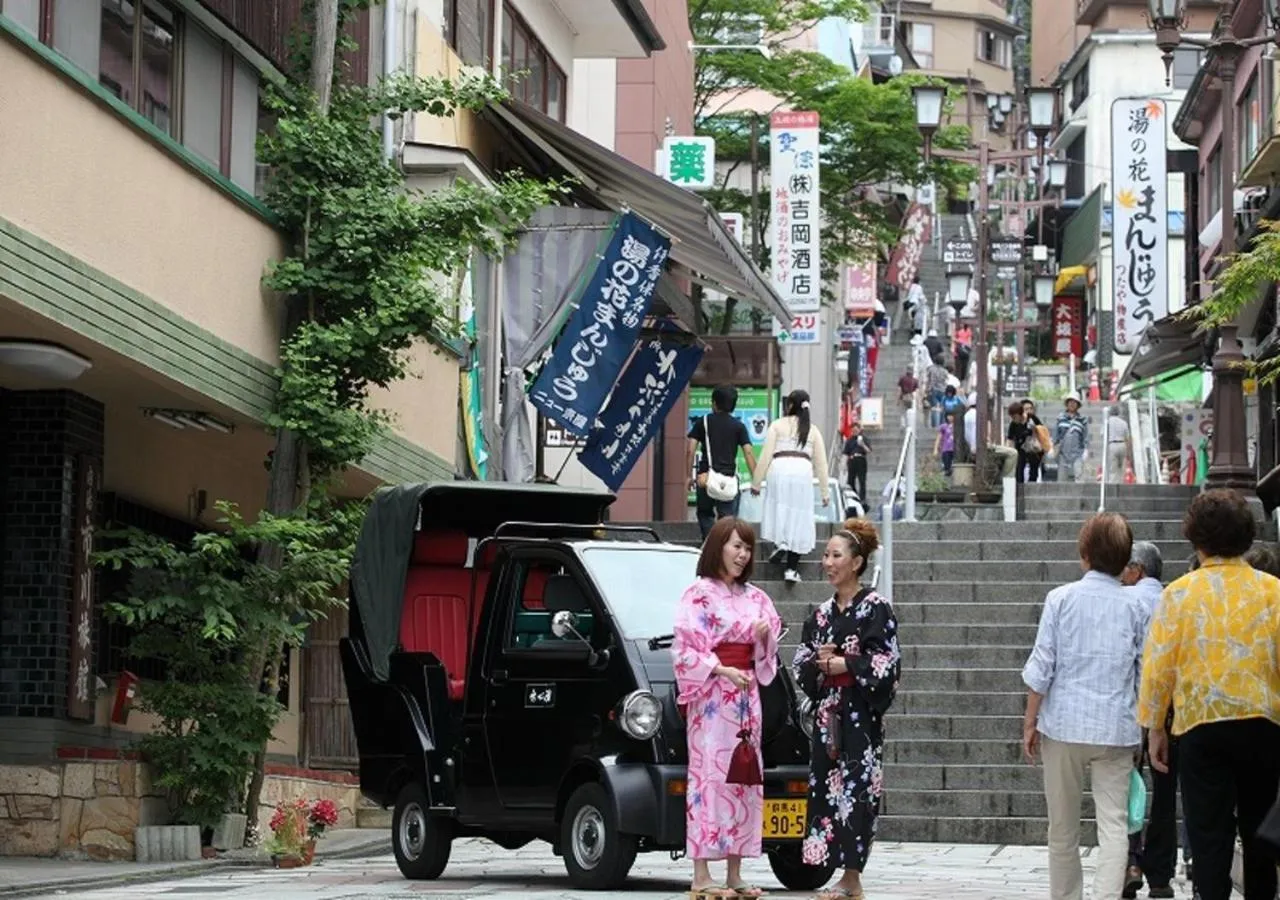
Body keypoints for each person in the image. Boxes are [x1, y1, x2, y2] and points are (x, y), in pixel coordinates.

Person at [1139, 490, 1280, 900]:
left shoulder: (1179, 594)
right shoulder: (1273, 591)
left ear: (1195, 538)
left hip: (1202, 722)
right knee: (1260, 835)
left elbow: (1159, 665)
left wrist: (1154, 727)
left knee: (1208, 834)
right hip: (1263, 721)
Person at [1022, 513, 1148, 900]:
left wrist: (1031, 720)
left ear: (1084, 554)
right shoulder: (1136, 608)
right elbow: (1144, 675)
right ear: (1125, 560)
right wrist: (1149, 727)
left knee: (1062, 827)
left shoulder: (1060, 599)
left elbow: (1042, 666)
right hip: (1115, 728)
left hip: (1063, 725)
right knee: (1114, 825)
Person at [672, 517, 783, 899]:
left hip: (746, 696)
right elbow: (686, 650)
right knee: (708, 778)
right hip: (713, 699)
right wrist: (720, 669)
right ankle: (702, 873)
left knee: (744, 777)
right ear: (718, 546)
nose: (742, 554)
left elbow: (768, 649)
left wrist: (765, 639)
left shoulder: (756, 597)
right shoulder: (698, 594)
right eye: (736, 546)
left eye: (747, 548)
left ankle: (735, 870)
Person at [793, 520, 900, 900]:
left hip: (859, 716)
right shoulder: (821, 614)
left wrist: (847, 665)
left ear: (856, 563)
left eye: (836, 555)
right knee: (825, 787)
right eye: (825, 555)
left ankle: (852, 877)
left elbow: (886, 662)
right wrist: (819, 665)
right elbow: (801, 660)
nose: (827, 562)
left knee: (856, 790)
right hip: (827, 717)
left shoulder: (876, 608)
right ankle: (834, 869)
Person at [1120, 542, 1176, 900]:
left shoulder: (1128, 602)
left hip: (1133, 706)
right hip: (1174, 711)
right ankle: (1160, 876)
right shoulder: (1175, 599)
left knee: (1127, 788)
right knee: (1166, 796)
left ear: (1138, 570)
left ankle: (1131, 861)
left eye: (1126, 568)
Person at [753, 389, 830, 585]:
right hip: (802, 471)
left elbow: (765, 455)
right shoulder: (812, 430)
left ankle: (781, 543)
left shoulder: (777, 425)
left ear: (789, 406)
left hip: (778, 469)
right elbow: (821, 463)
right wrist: (824, 492)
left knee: (780, 510)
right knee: (799, 516)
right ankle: (791, 569)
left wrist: (756, 482)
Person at [688, 386, 759, 541]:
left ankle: (709, 542)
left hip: (705, 477)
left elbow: (691, 449)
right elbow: (748, 452)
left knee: (705, 513)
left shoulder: (703, 422)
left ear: (714, 403)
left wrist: (688, 476)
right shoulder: (738, 426)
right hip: (728, 480)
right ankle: (722, 545)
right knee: (727, 519)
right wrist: (756, 480)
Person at [1055, 392, 1090, 483]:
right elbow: (1056, 435)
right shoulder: (1060, 418)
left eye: (1074, 402)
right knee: (1062, 479)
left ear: (1078, 405)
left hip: (1078, 453)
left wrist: (1086, 449)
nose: (1072, 404)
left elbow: (1085, 436)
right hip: (1063, 453)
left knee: (1079, 478)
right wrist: (1053, 446)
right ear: (1067, 404)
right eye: (1070, 401)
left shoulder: (1082, 420)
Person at [1007, 402, 1042, 484]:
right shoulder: (1013, 424)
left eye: (1014, 417)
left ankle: (1032, 485)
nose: (1013, 419)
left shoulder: (1032, 418)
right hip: (1020, 448)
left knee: (1034, 467)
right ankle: (1020, 487)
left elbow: (1041, 430)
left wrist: (1034, 431)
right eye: (1012, 417)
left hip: (1033, 448)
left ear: (1020, 414)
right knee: (1019, 468)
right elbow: (1010, 439)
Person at [843, 423, 871, 503]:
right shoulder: (849, 440)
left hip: (861, 460)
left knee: (862, 480)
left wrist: (862, 444)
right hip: (852, 460)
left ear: (859, 430)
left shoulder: (864, 439)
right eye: (853, 430)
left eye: (856, 430)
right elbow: (846, 453)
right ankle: (853, 496)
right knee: (850, 480)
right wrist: (844, 465)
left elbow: (869, 450)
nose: (855, 432)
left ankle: (862, 498)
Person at [1106, 405, 1131, 484]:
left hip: (1112, 444)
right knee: (1121, 468)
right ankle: (1121, 485)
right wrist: (1129, 451)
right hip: (1122, 444)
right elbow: (1127, 437)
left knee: (1113, 469)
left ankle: (1112, 487)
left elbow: (1103, 434)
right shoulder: (1123, 422)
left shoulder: (1108, 422)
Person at [924, 357, 949, 428]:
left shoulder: (931, 369)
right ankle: (942, 424)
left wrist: (926, 390)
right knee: (942, 407)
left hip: (933, 389)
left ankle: (935, 425)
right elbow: (946, 380)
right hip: (943, 390)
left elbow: (927, 380)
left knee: (934, 408)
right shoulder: (945, 371)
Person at [934, 410, 957, 476]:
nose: (950, 417)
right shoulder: (943, 426)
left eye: (952, 416)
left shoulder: (958, 426)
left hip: (955, 449)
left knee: (953, 468)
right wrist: (935, 449)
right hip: (946, 449)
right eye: (948, 416)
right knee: (947, 467)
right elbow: (939, 438)